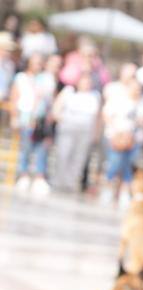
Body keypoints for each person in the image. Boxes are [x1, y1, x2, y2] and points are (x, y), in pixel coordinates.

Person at [51, 73, 101, 192]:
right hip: (68, 127)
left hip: (85, 130)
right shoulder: (69, 92)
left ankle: (71, 182)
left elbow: (98, 116)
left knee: (79, 156)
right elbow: (57, 107)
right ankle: (58, 180)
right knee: (64, 153)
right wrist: (60, 119)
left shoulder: (95, 96)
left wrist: (96, 133)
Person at [10, 53, 51, 195]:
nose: (38, 66)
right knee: (25, 147)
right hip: (25, 116)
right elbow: (14, 97)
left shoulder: (45, 79)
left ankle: (39, 176)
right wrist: (15, 116)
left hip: (39, 118)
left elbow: (47, 100)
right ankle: (23, 174)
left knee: (41, 149)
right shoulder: (21, 78)